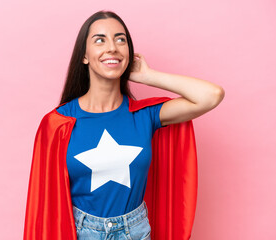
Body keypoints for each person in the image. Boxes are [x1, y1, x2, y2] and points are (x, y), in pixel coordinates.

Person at [24, 10, 224, 240]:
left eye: (121, 40)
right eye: (100, 40)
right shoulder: (58, 123)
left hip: (136, 232)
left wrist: (148, 76)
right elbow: (45, 204)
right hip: (81, 232)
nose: (112, 47)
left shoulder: (145, 115)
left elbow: (211, 95)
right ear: (84, 56)